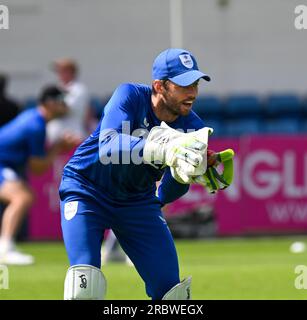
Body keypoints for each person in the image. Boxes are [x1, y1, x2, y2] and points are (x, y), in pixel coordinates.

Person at [60, 48, 233, 300]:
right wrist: (164, 148)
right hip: (87, 189)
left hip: (136, 201)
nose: (192, 93)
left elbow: (165, 193)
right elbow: (108, 144)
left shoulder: (193, 127)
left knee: (171, 295)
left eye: (195, 84)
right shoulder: (129, 95)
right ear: (159, 86)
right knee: (83, 289)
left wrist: (185, 174)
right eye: (184, 85)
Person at [0, 85, 77, 265]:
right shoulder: (36, 125)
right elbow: (37, 168)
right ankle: (4, 248)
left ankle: (5, 246)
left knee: (25, 196)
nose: (66, 106)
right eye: (61, 102)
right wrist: (58, 148)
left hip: (5, 165)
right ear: (50, 103)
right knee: (22, 198)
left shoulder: (34, 119)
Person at [47, 58, 91, 144]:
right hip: (55, 138)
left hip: (72, 138)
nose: (59, 73)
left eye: (62, 70)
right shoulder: (57, 87)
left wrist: (49, 109)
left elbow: (63, 110)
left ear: (71, 72)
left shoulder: (79, 89)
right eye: (58, 71)